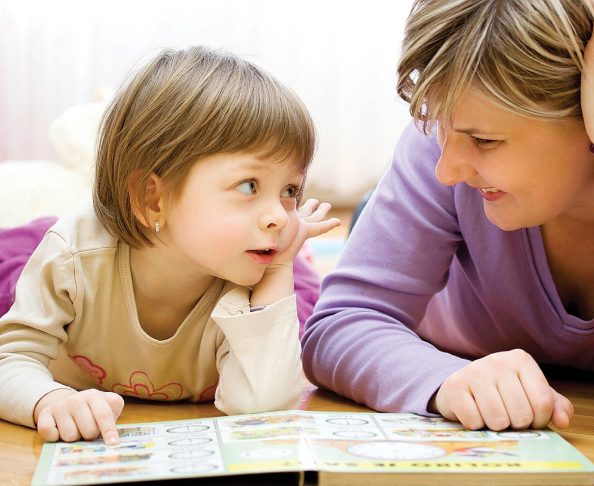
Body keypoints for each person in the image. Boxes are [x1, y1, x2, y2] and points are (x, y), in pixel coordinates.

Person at [302, 0, 594, 440]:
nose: (447, 171)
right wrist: (444, 380)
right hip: (432, 311)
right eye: (441, 126)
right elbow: (340, 324)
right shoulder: (437, 150)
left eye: (486, 140)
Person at [0, 46, 340, 445]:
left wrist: (280, 270)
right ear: (153, 198)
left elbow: (261, 407)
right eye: (249, 185)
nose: (281, 216)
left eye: (290, 190)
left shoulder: (251, 278)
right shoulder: (75, 258)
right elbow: (12, 359)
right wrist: (49, 398)